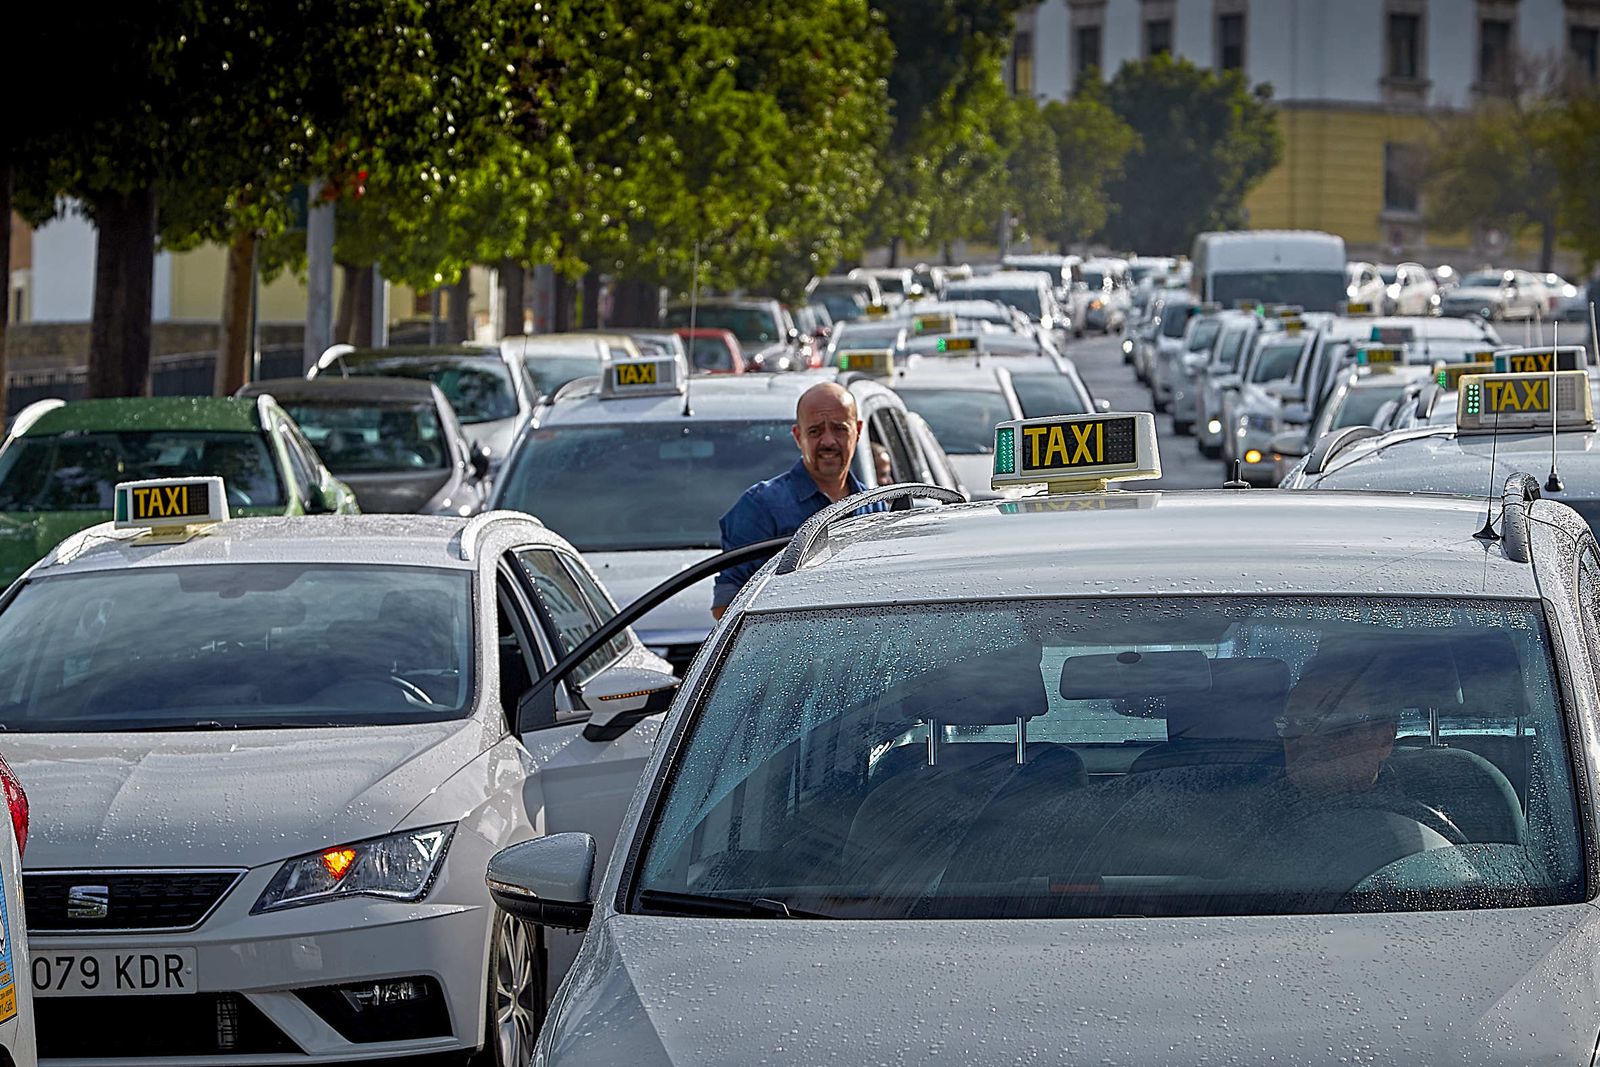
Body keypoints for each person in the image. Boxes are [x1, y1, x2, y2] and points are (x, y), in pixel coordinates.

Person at [712, 382, 884, 618]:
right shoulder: (761, 506)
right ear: (797, 436)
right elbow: (726, 608)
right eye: (815, 431)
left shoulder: (874, 506)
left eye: (839, 428)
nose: (828, 442)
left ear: (858, 431)